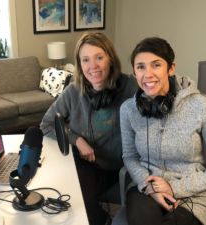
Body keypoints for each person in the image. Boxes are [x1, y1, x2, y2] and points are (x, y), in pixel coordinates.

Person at [119, 37, 206, 225]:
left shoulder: (201, 106)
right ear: (134, 72)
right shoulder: (128, 109)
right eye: (140, 67)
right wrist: (150, 186)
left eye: (156, 65)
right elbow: (130, 156)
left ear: (171, 68)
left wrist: (174, 188)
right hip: (147, 189)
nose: (147, 74)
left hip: (192, 196)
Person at [40, 32, 137, 225]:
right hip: (81, 163)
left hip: (113, 167)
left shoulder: (130, 87)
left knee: (79, 198)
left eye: (99, 57)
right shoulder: (73, 92)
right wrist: (76, 139)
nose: (93, 66)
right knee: (58, 194)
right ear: (80, 64)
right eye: (85, 60)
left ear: (110, 59)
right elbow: (46, 125)